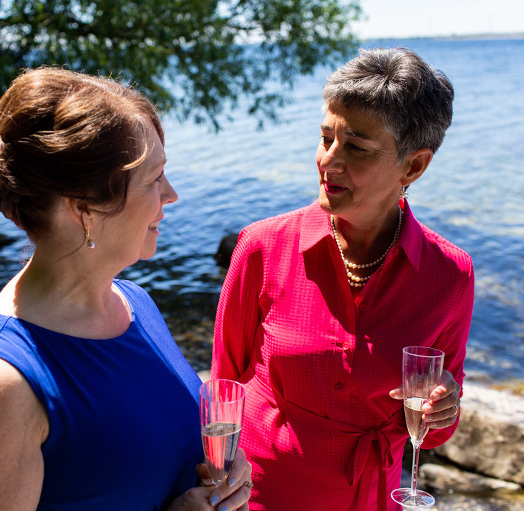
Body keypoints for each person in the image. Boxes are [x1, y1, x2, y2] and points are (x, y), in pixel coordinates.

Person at [0, 68, 252, 511]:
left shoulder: (134, 303)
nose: (172, 195)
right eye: (154, 179)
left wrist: (223, 471)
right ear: (82, 208)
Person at [211, 47, 475, 511]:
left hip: (371, 500)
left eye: (356, 147)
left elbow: (436, 429)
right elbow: (222, 390)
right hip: (258, 496)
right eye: (325, 137)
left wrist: (444, 406)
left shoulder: (449, 275)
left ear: (413, 166)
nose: (328, 161)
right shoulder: (261, 247)